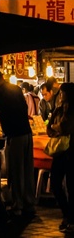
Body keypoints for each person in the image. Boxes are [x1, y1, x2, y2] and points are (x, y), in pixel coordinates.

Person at [0, 68, 35, 219]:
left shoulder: (2, 93)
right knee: (27, 171)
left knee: (16, 172)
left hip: (15, 136)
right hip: (27, 135)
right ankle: (29, 204)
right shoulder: (16, 89)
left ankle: (18, 207)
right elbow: (23, 109)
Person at [46, 82, 74, 232]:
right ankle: (67, 214)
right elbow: (49, 127)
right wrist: (56, 129)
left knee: (71, 186)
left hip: (71, 152)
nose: (60, 95)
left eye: (63, 93)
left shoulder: (72, 109)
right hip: (59, 152)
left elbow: (65, 127)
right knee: (55, 183)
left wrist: (58, 128)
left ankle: (70, 218)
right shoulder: (58, 109)